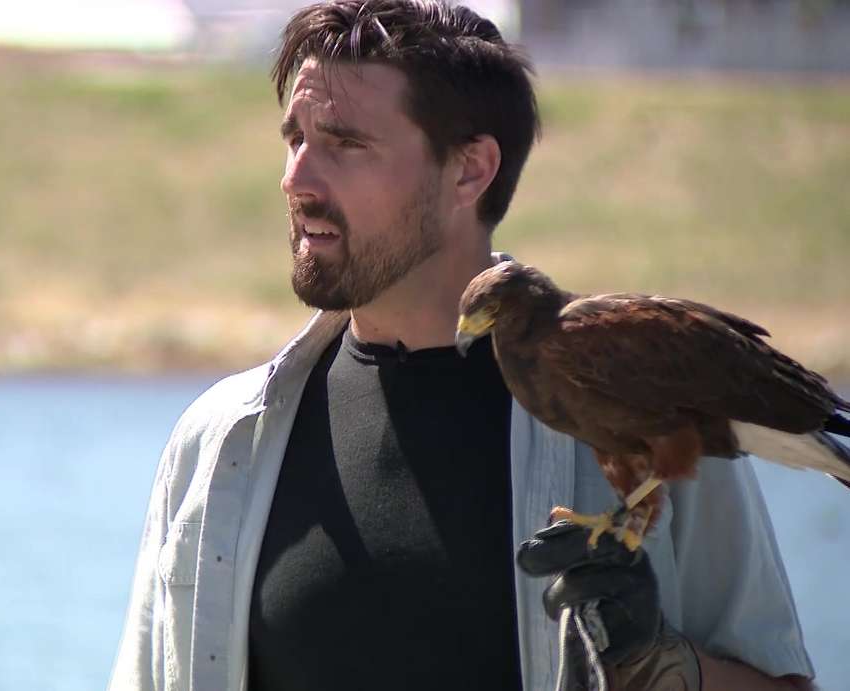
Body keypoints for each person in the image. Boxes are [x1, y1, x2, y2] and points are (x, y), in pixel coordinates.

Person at [108, 2, 816, 689]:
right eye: (295, 139)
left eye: (345, 143)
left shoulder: (643, 408)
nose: (296, 179)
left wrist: (662, 668)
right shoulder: (218, 443)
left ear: (470, 171)